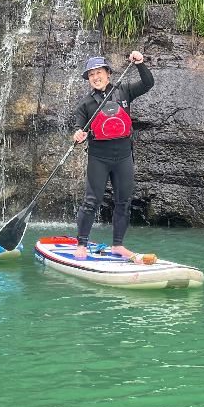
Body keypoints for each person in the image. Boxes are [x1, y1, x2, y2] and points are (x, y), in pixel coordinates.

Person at [71, 51, 154, 261]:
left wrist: (140, 64)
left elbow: (148, 83)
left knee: (124, 202)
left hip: (124, 158)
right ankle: (81, 243)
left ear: (108, 74)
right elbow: (78, 128)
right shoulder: (85, 104)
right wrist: (79, 134)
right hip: (99, 158)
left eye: (99, 72)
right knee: (91, 202)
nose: (96, 77)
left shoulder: (124, 91)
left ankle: (118, 245)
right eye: (91, 75)